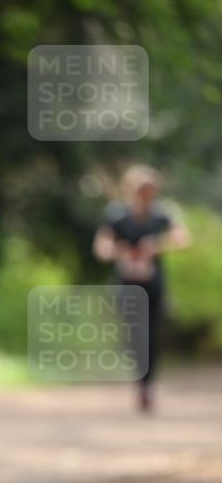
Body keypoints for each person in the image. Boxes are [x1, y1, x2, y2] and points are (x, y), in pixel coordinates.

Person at [92, 164, 190, 412]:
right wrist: (120, 251)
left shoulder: (162, 213)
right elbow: (101, 248)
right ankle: (141, 378)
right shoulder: (117, 215)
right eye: (140, 189)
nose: (145, 194)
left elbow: (182, 238)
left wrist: (156, 245)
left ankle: (146, 385)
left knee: (151, 335)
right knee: (135, 334)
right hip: (127, 286)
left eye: (149, 189)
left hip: (153, 285)